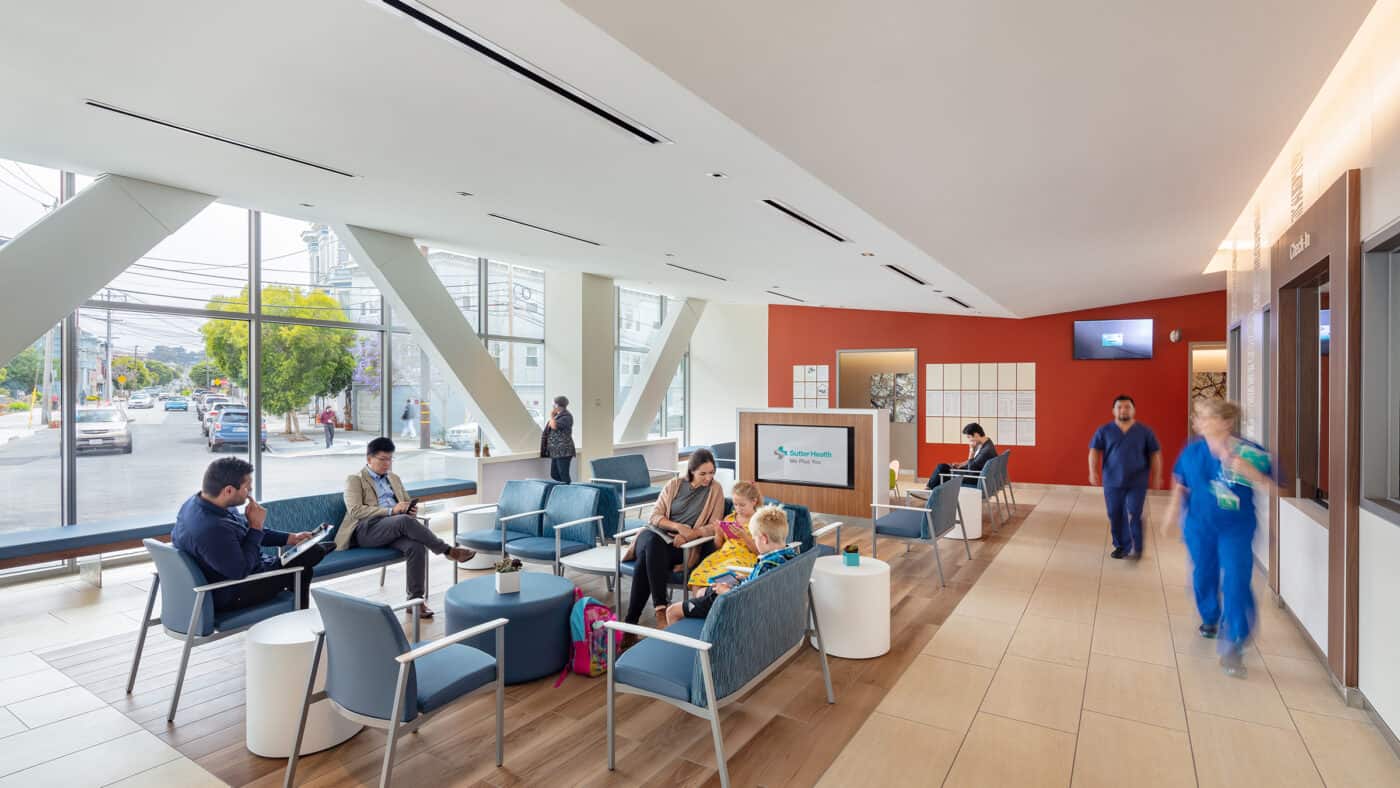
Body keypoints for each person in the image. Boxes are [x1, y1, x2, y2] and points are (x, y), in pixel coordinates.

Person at [1161, 398, 1273, 678]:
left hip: (1236, 528)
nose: (1196, 420)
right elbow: (1181, 484)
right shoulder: (1193, 452)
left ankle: (1235, 641)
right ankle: (1210, 617)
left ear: (1225, 422)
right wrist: (1172, 512)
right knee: (1203, 576)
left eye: (1203, 416)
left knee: (1236, 580)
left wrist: (1247, 470)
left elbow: (1276, 485)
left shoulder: (1250, 452)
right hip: (1199, 527)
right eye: (1197, 416)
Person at [171, 457, 329, 614]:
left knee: (306, 554)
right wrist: (256, 526)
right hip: (232, 591)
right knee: (305, 564)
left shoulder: (200, 503)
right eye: (248, 488)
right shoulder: (211, 529)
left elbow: (244, 531)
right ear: (229, 490)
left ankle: (294, 617)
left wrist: (290, 538)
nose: (249, 493)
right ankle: (297, 621)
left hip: (233, 570)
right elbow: (241, 571)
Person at [339, 437, 475, 618]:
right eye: (382, 459)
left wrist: (410, 509)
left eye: (390, 459)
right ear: (369, 458)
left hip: (394, 527)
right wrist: (391, 511)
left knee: (416, 547)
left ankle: (415, 602)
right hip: (366, 531)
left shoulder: (394, 478)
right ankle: (448, 550)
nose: (387, 464)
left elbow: (405, 502)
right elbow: (355, 511)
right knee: (404, 521)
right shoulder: (355, 479)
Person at [622, 448, 726, 626]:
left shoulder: (715, 489)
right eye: (703, 474)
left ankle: (631, 624)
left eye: (712, 473)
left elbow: (714, 525)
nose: (708, 478)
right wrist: (678, 527)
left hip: (680, 547)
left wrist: (690, 535)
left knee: (646, 560)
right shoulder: (674, 485)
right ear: (691, 471)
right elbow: (654, 517)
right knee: (651, 541)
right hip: (656, 535)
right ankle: (660, 609)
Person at [664, 504, 796, 626]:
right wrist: (743, 579)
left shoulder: (766, 565)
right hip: (742, 592)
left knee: (672, 611)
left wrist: (726, 591)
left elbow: (748, 600)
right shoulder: (790, 556)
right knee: (702, 592)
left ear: (764, 539)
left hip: (732, 603)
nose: (755, 542)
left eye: (755, 538)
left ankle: (696, 639)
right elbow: (759, 584)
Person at [1089, 394, 1162, 559]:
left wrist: (1157, 476)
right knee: (1115, 513)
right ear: (1113, 411)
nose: (1123, 410)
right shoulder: (1104, 430)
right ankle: (1121, 546)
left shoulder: (1144, 432)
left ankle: (1138, 546)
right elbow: (1094, 451)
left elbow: (1155, 454)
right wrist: (1092, 471)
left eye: (1127, 407)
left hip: (1137, 481)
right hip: (1112, 481)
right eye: (1119, 407)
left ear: (1133, 410)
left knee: (1135, 512)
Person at [686, 481, 762, 588]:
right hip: (722, 555)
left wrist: (744, 536)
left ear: (754, 501)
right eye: (735, 504)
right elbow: (718, 546)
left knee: (721, 577)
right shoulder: (729, 518)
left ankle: (714, 602)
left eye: (742, 505)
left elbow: (760, 552)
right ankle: (698, 605)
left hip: (744, 558)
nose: (738, 509)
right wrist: (718, 532)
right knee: (698, 576)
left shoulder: (759, 521)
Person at [925, 422, 996, 490]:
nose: (969, 440)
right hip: (976, 474)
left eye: (969, 437)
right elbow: (976, 461)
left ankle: (929, 490)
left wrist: (971, 451)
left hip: (974, 477)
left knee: (940, 476)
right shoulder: (987, 443)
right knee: (942, 466)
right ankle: (929, 488)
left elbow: (971, 468)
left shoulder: (986, 451)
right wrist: (961, 464)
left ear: (976, 434)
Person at [540, 395, 575, 484]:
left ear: (557, 405)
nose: (552, 406)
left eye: (553, 404)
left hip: (563, 451)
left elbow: (554, 426)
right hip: (556, 451)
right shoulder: (558, 416)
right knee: (554, 474)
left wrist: (551, 416)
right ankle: (562, 489)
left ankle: (568, 492)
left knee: (564, 474)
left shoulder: (566, 416)